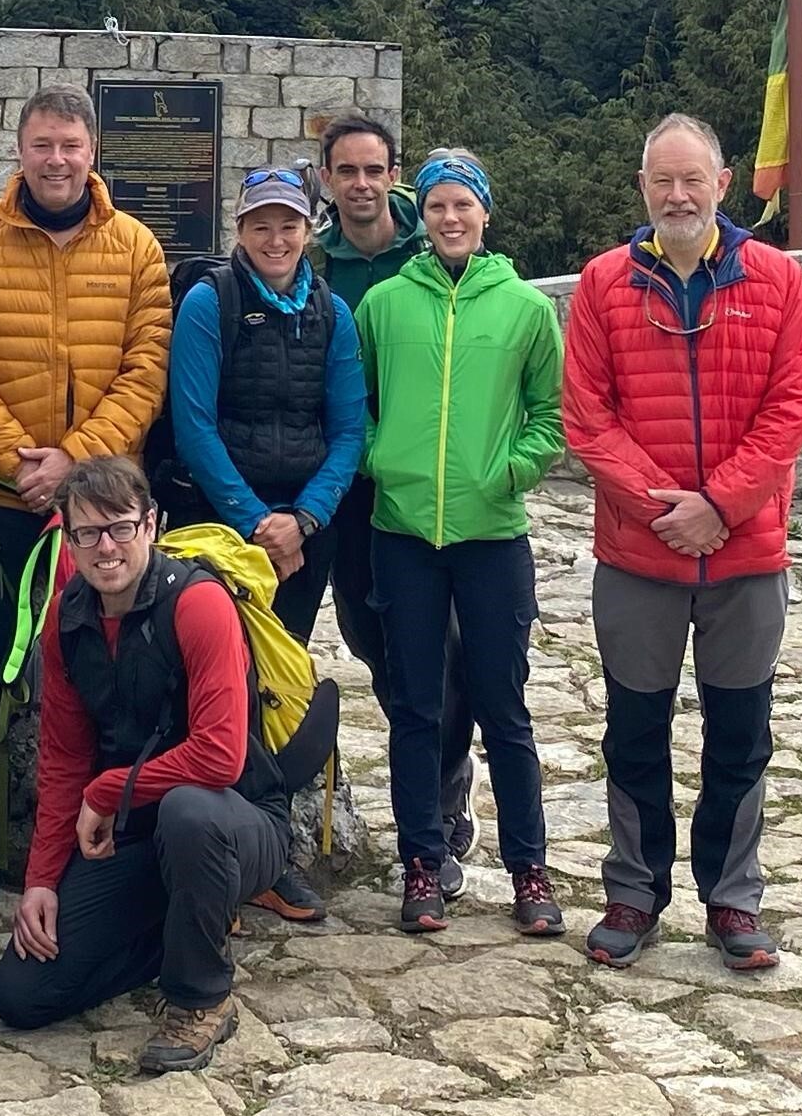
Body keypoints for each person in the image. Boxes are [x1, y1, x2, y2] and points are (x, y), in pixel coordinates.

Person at [563, 113, 802, 972]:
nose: (676, 195)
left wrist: (721, 505)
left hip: (746, 555)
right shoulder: (602, 285)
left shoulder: (777, 282)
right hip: (639, 555)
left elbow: (789, 409)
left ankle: (731, 899)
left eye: (691, 180)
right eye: (660, 182)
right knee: (634, 730)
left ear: (720, 182)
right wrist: (663, 509)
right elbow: (587, 418)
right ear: (642, 190)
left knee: (739, 732)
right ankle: (633, 892)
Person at [0, 83, 173, 860]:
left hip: (101, 507)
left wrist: (76, 466)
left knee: (110, 676)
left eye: (70, 145)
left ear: (92, 151)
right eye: (42, 145)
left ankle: (99, 846)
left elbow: (145, 366)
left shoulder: (135, 247)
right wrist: (16, 457)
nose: (56, 160)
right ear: (19, 151)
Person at [0, 457, 288, 1074]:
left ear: (150, 524)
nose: (106, 548)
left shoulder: (199, 604)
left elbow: (221, 753)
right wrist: (42, 880)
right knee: (22, 995)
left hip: (238, 820)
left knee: (189, 814)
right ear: (67, 539)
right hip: (135, 832)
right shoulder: (68, 620)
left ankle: (202, 996)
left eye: (121, 528)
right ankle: (183, 926)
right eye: (87, 533)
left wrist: (109, 790)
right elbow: (64, 759)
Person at [355, 149, 565, 936]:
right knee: (413, 708)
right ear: (423, 216)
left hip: (491, 535)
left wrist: (511, 470)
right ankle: (421, 860)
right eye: (437, 205)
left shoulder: (522, 309)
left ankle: (528, 870)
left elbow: (551, 415)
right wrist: (383, 458)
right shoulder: (382, 304)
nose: (449, 219)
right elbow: (359, 401)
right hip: (402, 533)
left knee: (502, 708)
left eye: (462, 206)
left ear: (484, 214)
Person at [166, 165, 365, 921]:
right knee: (216, 691)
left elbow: (349, 430)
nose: (274, 238)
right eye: (260, 225)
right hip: (221, 532)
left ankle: (271, 853)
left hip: (301, 537)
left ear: (307, 231)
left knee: (275, 693)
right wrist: (256, 525)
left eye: (287, 224)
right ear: (239, 232)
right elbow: (193, 425)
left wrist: (303, 520)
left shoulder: (331, 314)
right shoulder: (207, 304)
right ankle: (208, 845)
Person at [316, 115, 480, 897]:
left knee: (443, 658)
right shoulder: (314, 266)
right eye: (344, 170)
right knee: (374, 644)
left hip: (435, 493)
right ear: (326, 180)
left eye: (372, 169)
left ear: (394, 174)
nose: (359, 183)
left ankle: (441, 806)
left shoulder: (441, 241)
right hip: (352, 493)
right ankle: (438, 773)